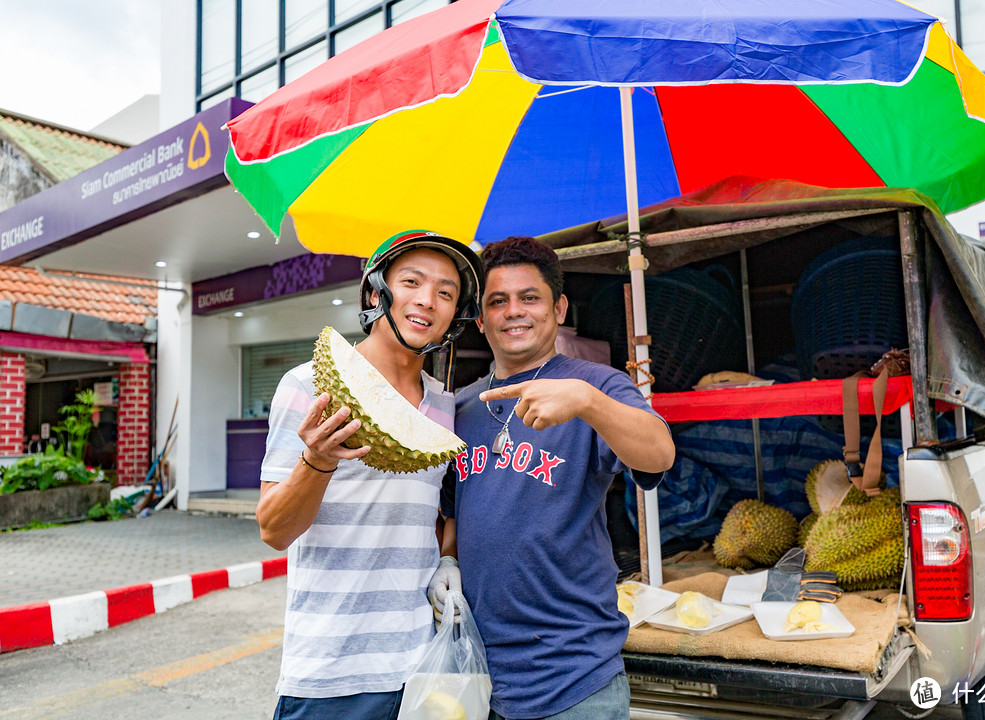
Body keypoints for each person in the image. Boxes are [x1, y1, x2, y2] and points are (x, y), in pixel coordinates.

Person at [438, 236, 676, 720]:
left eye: (530, 298)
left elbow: (659, 454)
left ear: (559, 308)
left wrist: (588, 402)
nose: (514, 312)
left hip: (574, 675)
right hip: (478, 671)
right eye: (497, 301)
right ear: (480, 319)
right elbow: (452, 512)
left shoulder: (597, 386)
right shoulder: (459, 407)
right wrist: (446, 561)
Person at [256, 230, 483, 720]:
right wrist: (317, 462)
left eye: (446, 293)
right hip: (330, 670)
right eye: (411, 282)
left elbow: (442, 509)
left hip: (422, 663)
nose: (427, 300)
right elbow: (273, 529)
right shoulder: (307, 385)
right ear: (377, 293)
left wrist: (448, 559)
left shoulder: (444, 406)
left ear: (457, 314)